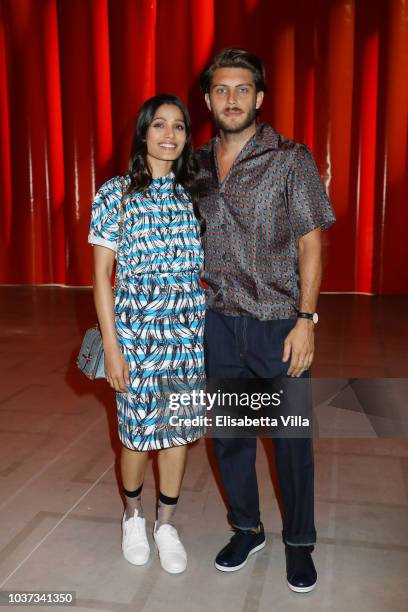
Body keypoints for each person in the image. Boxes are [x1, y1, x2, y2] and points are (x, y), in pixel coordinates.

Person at [195, 48, 336, 592]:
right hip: (218, 322)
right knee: (230, 435)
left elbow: (311, 244)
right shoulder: (197, 164)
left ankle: (299, 541)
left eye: (242, 89)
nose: (232, 99)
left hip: (278, 321)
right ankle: (246, 528)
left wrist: (307, 319)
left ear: (259, 97)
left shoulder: (290, 158)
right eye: (222, 90)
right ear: (208, 99)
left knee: (290, 440)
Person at [88, 94, 205, 574]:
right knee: (136, 436)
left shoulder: (195, 194)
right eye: (160, 125)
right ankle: (133, 515)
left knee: (176, 434)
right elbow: (101, 278)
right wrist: (112, 349)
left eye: (179, 126)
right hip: (135, 334)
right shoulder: (114, 193)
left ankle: (167, 524)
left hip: (186, 334)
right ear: (143, 132)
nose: (170, 135)